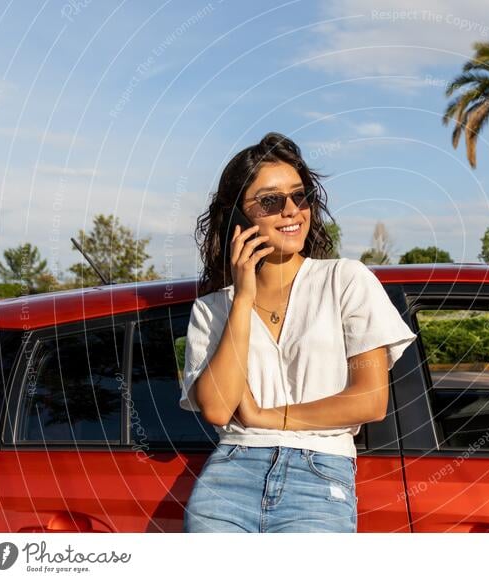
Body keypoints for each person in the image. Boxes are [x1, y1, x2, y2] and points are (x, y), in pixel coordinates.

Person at [180, 132, 417, 533]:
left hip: (320, 475)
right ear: (239, 215)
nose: (292, 210)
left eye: (300, 196)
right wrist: (242, 299)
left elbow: (369, 400)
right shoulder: (212, 308)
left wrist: (263, 416)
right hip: (227, 481)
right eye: (271, 200)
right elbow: (219, 409)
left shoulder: (346, 281)